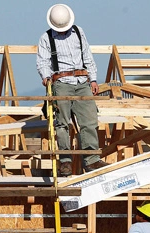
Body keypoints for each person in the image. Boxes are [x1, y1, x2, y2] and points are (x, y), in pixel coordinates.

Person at [36, 4, 109, 176]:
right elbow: (42, 61)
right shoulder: (46, 38)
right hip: (61, 82)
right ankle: (65, 161)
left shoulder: (78, 32)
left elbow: (87, 55)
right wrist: (47, 78)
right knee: (62, 123)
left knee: (89, 121)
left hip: (82, 81)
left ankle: (91, 160)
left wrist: (93, 79)